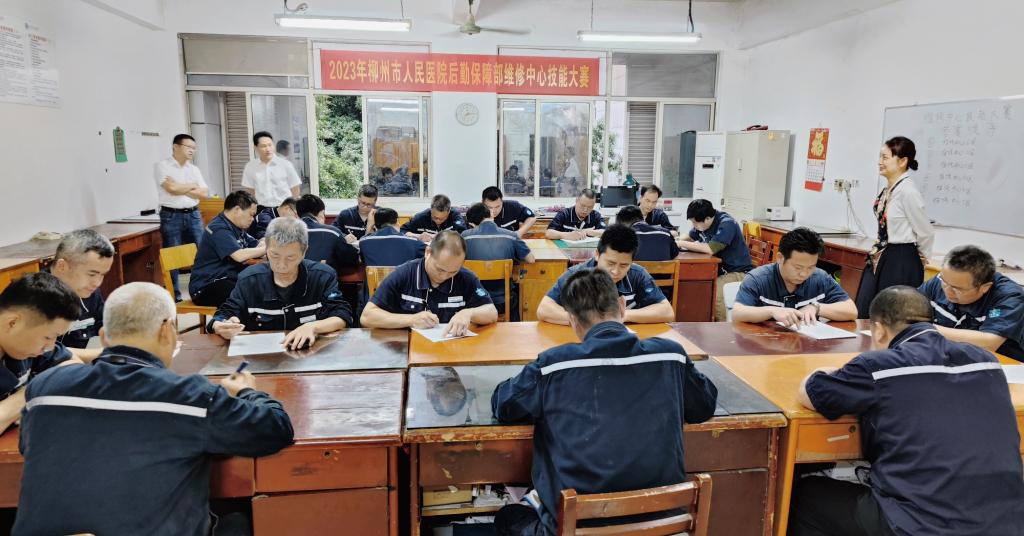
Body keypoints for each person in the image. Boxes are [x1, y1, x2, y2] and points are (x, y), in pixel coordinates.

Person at [13, 282, 294, 536]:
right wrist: (246, 392)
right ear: (167, 331)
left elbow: (29, 445)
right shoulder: (190, 397)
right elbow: (275, 428)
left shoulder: (45, 388)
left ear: (104, 337)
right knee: (239, 521)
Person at [492, 268, 718, 536]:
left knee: (509, 517)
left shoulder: (553, 365)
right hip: (660, 526)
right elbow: (704, 405)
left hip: (576, 527)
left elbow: (505, 406)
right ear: (622, 306)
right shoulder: (671, 356)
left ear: (572, 319)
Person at [791, 286, 1024, 536]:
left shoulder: (878, 366)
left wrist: (827, 372)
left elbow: (811, 394)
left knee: (806, 495)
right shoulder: (985, 360)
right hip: (1007, 523)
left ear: (879, 329)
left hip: (923, 526)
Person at [210, 218, 352, 349]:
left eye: (290, 257)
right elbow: (224, 314)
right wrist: (221, 326)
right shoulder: (249, 279)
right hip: (263, 358)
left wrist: (313, 327)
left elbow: (342, 315)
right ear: (266, 248)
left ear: (304, 252)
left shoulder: (322, 276)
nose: (281, 265)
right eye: (275, 255)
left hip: (310, 355)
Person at [855, 136, 934, 317]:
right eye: (880, 157)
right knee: (866, 308)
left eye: (885, 157)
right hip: (881, 256)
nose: (879, 162)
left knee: (890, 314)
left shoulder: (908, 191)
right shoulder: (890, 188)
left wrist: (920, 258)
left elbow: (926, 232)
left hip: (900, 260)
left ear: (902, 161)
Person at [361, 231, 497, 336]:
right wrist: (411, 320)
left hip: (451, 349)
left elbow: (492, 312)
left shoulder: (466, 278)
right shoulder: (404, 274)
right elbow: (367, 316)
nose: (444, 276)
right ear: (428, 252)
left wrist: (468, 313)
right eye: (440, 269)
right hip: (408, 348)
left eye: (452, 272)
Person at [537, 224, 675, 325]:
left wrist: (622, 315)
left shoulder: (637, 274)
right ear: (597, 254)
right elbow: (544, 309)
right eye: (610, 263)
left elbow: (667, 312)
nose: (615, 271)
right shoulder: (577, 275)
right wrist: (589, 319)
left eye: (624, 265)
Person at [0, 273, 80, 433]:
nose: (50, 347)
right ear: (12, 323)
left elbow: (73, 366)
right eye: (48, 337)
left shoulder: (21, 347)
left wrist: (22, 400)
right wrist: (26, 397)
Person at [732, 227, 857, 326]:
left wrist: (816, 307)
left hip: (805, 346)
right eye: (798, 267)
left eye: (810, 267)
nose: (804, 274)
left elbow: (851, 310)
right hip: (764, 346)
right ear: (780, 258)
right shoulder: (757, 279)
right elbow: (737, 313)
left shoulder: (820, 278)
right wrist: (772, 311)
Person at [918, 245, 1024, 361]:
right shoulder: (942, 280)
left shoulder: (1009, 297)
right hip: (951, 354)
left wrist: (924, 328)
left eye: (957, 289)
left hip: (1003, 362)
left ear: (985, 287)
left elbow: (989, 342)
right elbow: (910, 306)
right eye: (944, 282)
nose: (947, 290)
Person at [678, 199, 755, 321]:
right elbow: (689, 236)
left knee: (715, 290)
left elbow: (710, 249)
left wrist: (681, 243)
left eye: (695, 223)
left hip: (738, 272)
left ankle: (722, 325)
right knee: (696, 285)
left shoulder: (727, 224)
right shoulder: (703, 223)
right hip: (719, 269)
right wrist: (677, 240)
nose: (694, 226)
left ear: (707, 218)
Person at [155, 133, 209, 301]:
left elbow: (204, 193)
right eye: (188, 147)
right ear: (176, 147)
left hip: (194, 214)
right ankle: (175, 296)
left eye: (194, 148)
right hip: (171, 215)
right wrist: (192, 186)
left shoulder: (194, 169)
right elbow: (171, 189)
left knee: (203, 253)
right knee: (172, 256)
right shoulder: (162, 166)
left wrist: (180, 187)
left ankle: (203, 290)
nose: (192, 150)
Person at [189, 191, 266, 307]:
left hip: (226, 280)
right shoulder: (218, 228)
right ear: (237, 210)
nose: (253, 219)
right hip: (206, 286)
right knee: (249, 295)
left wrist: (265, 244)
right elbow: (239, 255)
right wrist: (268, 248)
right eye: (251, 214)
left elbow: (257, 245)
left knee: (261, 285)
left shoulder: (236, 228)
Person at [463, 202, 535, 319]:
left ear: (472, 224)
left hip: (475, 301)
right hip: (503, 302)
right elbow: (531, 259)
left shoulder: (465, 236)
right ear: (491, 215)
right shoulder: (511, 235)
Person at [50, 229, 114, 357]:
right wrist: (104, 355)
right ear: (62, 266)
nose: (97, 283)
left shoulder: (89, 292)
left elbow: (105, 327)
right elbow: (46, 354)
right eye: (92, 274)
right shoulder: (35, 297)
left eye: (102, 275)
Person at [242, 131, 302, 238]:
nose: (268, 149)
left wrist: (293, 208)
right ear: (256, 147)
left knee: (285, 238)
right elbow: (250, 193)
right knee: (261, 238)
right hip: (261, 209)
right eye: (263, 146)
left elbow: (295, 189)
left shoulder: (285, 165)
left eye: (270, 145)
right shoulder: (250, 167)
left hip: (282, 210)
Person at [295, 194, 359, 275]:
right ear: (321, 213)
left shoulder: (285, 232)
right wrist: (343, 241)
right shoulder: (333, 232)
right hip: (324, 281)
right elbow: (352, 259)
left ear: (298, 215)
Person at [360, 207, 426, 267]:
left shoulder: (363, 242)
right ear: (397, 221)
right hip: (403, 276)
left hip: (375, 277)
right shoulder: (414, 242)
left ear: (375, 224)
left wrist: (369, 225)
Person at [614, 205, 679, 261]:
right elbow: (675, 256)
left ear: (623, 223)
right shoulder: (665, 233)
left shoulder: (624, 237)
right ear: (642, 218)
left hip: (635, 272)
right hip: (663, 272)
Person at [401, 194, 467, 242]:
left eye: (442, 219)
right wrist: (418, 236)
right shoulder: (421, 217)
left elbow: (463, 233)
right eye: (435, 217)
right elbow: (403, 231)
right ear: (431, 209)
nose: (438, 221)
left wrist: (436, 236)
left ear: (449, 211)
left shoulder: (455, 216)